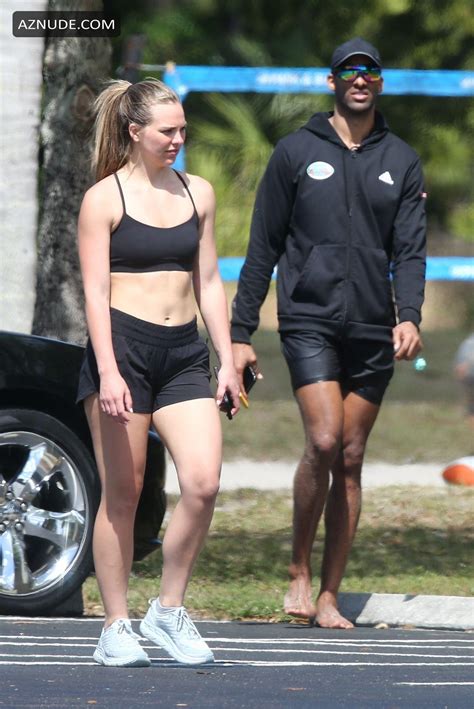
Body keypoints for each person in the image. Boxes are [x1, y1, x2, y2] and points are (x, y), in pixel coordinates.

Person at [231, 38, 426, 629]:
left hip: (372, 327)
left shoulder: (402, 159)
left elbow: (411, 249)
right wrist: (242, 331)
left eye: (370, 70)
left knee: (352, 454)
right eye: (349, 70)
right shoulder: (294, 152)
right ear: (332, 81)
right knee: (322, 441)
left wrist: (409, 313)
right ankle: (297, 567)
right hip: (309, 319)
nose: (360, 78)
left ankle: (330, 596)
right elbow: (263, 245)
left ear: (380, 83)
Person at [76, 78, 240, 666]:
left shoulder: (198, 192)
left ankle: (168, 611)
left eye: (182, 131)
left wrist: (226, 359)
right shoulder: (104, 199)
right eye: (167, 131)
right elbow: (94, 293)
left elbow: (211, 281)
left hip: (183, 354)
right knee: (124, 492)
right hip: (122, 351)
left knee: (203, 482)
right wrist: (109, 370)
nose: (177, 140)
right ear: (135, 131)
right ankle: (115, 627)